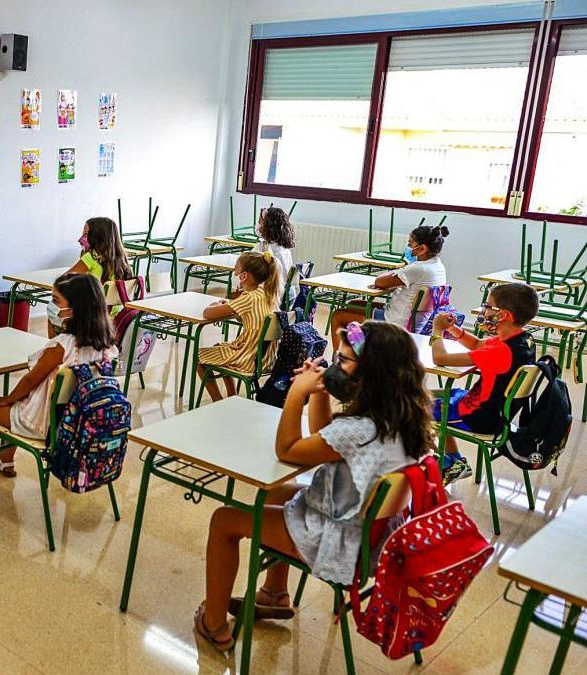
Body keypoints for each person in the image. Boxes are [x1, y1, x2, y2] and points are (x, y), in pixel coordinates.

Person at [194, 321, 429, 653]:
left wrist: (296, 394)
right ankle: (274, 594)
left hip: (340, 543)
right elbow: (325, 439)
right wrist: (319, 393)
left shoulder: (360, 430)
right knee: (275, 491)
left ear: (371, 374)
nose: (335, 366)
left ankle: (213, 622)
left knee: (224, 520)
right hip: (372, 538)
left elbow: (288, 449)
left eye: (344, 361)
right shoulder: (397, 416)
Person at [0, 273, 117, 503]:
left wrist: (7, 399)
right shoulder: (107, 347)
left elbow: (29, 381)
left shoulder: (61, 346)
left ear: (74, 309)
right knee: (21, 401)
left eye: (56, 301)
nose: (51, 307)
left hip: (46, 426)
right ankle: (5, 459)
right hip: (78, 425)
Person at [430, 283, 538, 483]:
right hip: (494, 413)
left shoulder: (500, 351)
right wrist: (452, 328)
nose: (484, 310)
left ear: (503, 315)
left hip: (477, 416)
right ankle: (455, 462)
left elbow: (440, 358)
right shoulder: (522, 339)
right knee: (426, 397)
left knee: (410, 408)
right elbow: (477, 344)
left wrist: (436, 330)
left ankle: (447, 463)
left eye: (488, 306)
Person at [329, 224, 449, 348]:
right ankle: (361, 353)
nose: (408, 247)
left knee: (338, 316)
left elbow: (380, 281)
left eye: (411, 243)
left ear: (422, 248)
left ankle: (343, 360)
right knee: (354, 304)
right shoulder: (438, 266)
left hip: (397, 323)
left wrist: (399, 270)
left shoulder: (418, 268)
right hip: (414, 321)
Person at [196, 251, 280, 402]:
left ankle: (218, 400)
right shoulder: (267, 293)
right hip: (267, 359)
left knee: (198, 358)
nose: (234, 271)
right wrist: (231, 306)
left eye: (236, 268)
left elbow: (208, 313)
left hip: (249, 359)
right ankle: (232, 396)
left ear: (244, 276)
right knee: (220, 346)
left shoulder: (248, 297)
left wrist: (215, 304)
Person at [254, 205, 296, 307]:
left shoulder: (262, 247)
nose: (257, 225)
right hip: (289, 293)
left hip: (275, 296)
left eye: (260, 221)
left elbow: (249, 268)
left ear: (267, 226)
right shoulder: (284, 247)